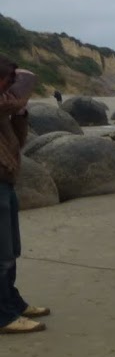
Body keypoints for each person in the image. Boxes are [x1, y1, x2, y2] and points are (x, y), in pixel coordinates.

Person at [0, 57, 49, 334]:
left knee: (11, 251)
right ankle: (3, 316)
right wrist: (26, 79)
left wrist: (19, 116)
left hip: (6, 183)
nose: (10, 88)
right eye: (8, 82)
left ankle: (12, 304)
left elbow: (18, 141)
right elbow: (15, 100)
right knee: (1, 254)